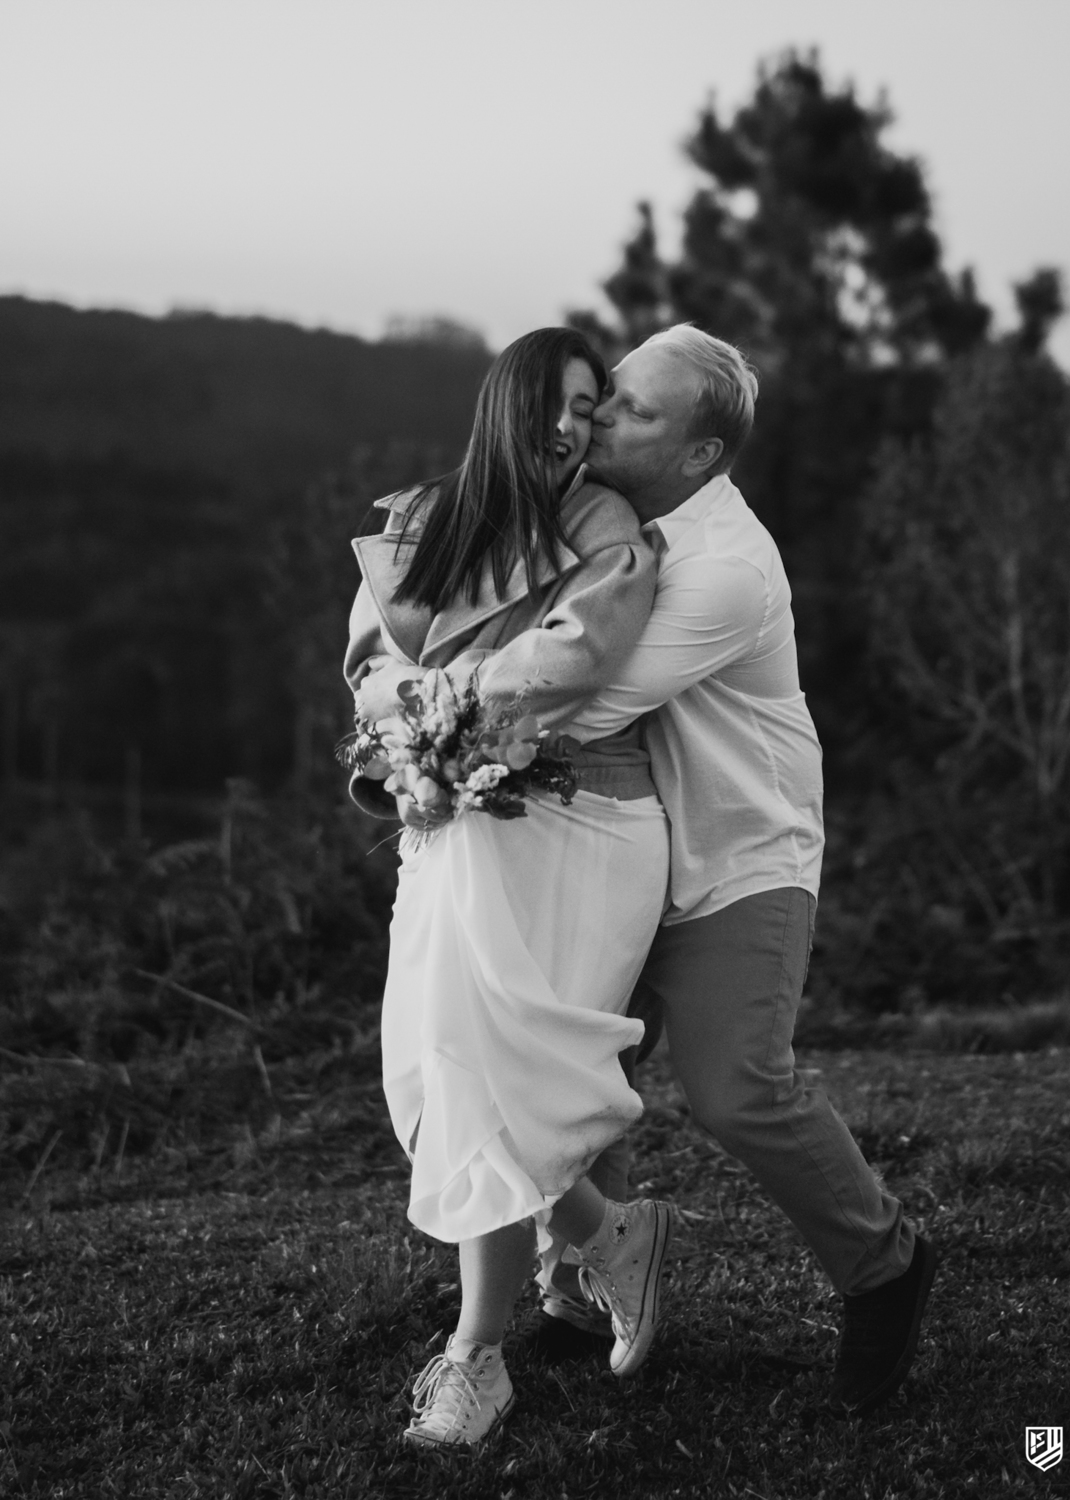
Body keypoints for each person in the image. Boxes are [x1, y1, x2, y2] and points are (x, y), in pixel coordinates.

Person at [425, 323, 940, 1418]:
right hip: (621, 842)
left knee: (734, 1088)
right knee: (575, 1078)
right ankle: (578, 1286)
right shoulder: (600, 517)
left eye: (632, 414)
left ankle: (885, 1264)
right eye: (603, 397)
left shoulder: (724, 570)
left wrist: (416, 710)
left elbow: (575, 701)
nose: (598, 419)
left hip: (738, 853)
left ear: (701, 456)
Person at [344, 328, 676, 1449]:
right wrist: (425, 720)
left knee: (488, 1072)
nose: (571, 429)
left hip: (576, 828)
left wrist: (448, 701)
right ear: (506, 403)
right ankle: (607, 1231)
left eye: (590, 411)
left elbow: (577, 654)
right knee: (441, 1064)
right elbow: (366, 674)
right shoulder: (416, 523)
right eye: (557, 403)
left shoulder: (604, 527)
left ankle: (474, 1356)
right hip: (452, 821)